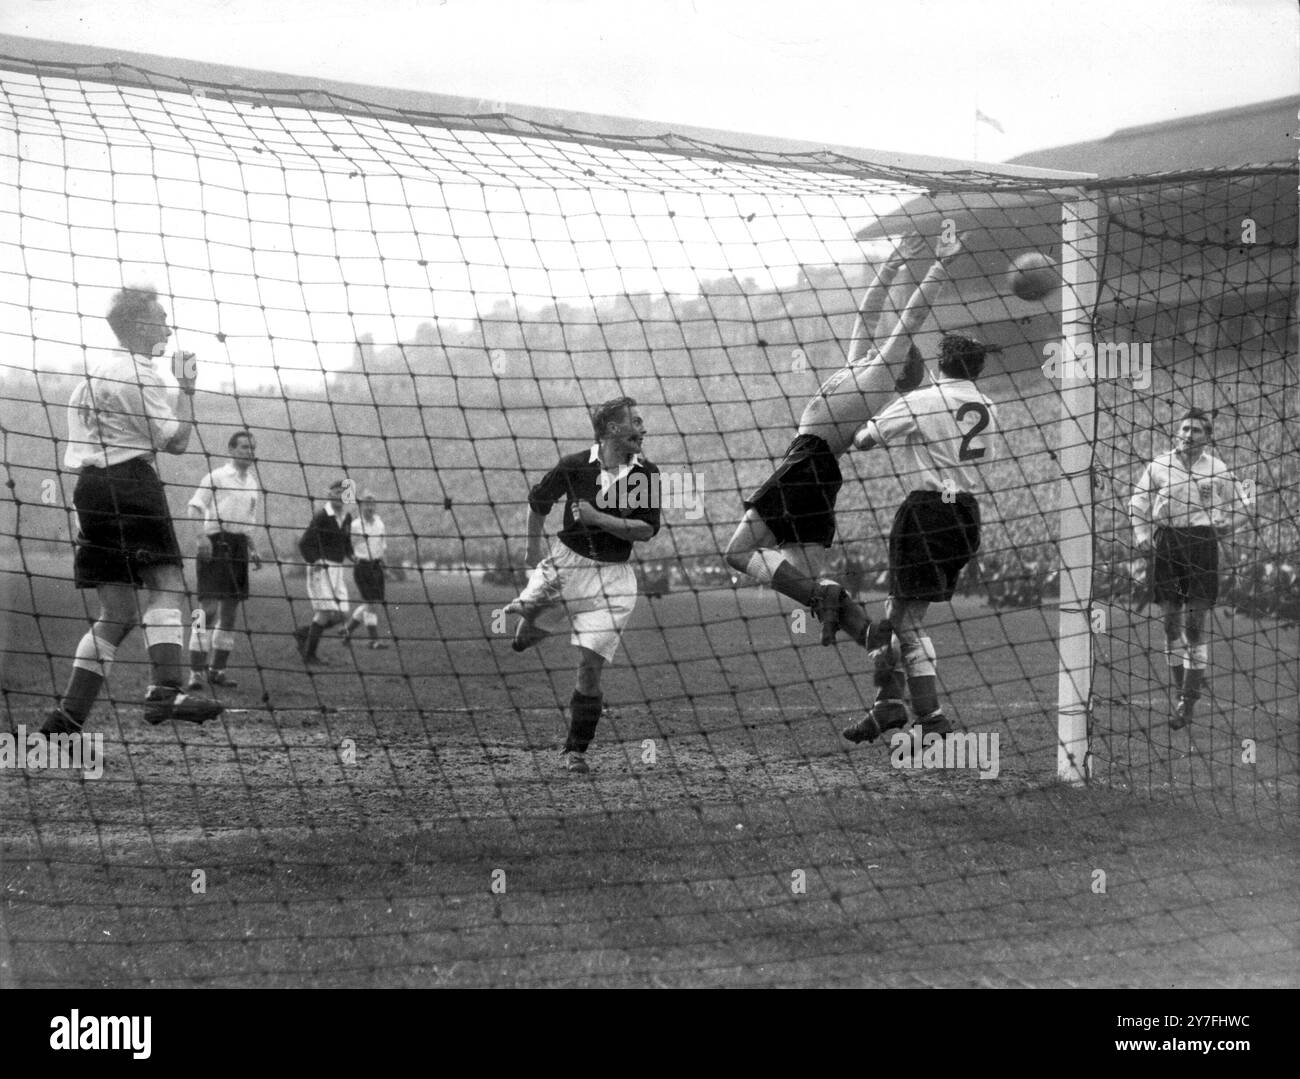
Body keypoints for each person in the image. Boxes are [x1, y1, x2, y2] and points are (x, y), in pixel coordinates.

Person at [722, 232, 964, 647]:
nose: (882, 340)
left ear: (898, 362)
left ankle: (825, 597)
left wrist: (940, 265)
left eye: (891, 347)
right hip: (819, 471)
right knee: (802, 573)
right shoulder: (860, 364)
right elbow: (866, 315)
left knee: (739, 553)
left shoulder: (881, 374)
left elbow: (911, 319)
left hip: (808, 461)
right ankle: (866, 633)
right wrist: (892, 263)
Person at [43, 285, 224, 735]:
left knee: (117, 612)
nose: (166, 325)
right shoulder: (143, 377)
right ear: (140, 325)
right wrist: (188, 389)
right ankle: (165, 691)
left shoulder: (91, 377)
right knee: (167, 584)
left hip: (90, 491)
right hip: (131, 484)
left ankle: (66, 719)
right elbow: (178, 442)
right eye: (161, 317)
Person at [842, 332, 1000, 744]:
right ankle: (886, 707)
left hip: (928, 511)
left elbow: (863, 440)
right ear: (977, 368)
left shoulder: (922, 400)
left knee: (905, 621)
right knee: (898, 612)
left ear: (940, 363)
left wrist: (885, 399)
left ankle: (931, 717)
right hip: (966, 512)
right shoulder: (988, 405)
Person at [506, 397, 661, 774]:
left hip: (614, 581)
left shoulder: (646, 474)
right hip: (566, 565)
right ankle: (533, 614)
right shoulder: (575, 466)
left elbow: (645, 530)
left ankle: (576, 751)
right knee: (523, 642)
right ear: (612, 429)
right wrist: (531, 548)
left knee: (589, 667)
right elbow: (539, 502)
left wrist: (598, 517)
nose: (643, 429)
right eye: (635, 422)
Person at [1129, 408, 1238, 729]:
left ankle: (1187, 702)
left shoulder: (1218, 469)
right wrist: (1140, 534)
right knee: (1170, 626)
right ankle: (1182, 690)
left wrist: (1228, 522)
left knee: (1194, 624)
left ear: (1208, 437)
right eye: (1185, 429)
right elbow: (1137, 502)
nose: (1189, 435)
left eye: (1196, 431)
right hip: (1168, 544)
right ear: (1178, 432)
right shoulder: (1159, 465)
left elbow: (1244, 501)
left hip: (1202, 544)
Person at [185, 429, 263, 689]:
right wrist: (200, 537)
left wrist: (252, 547)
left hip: (239, 547)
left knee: (229, 613)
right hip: (215, 544)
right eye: (243, 447)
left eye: (251, 448)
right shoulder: (215, 476)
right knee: (206, 610)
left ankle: (217, 670)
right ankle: (195, 671)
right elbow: (194, 506)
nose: (248, 452)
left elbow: (249, 520)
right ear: (231, 450)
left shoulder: (253, 482)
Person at [292, 479, 353, 667]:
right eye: (336, 493)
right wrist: (315, 559)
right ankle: (310, 656)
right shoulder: (322, 516)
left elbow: (346, 542)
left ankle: (304, 632)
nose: (340, 497)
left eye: (343, 493)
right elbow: (304, 543)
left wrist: (352, 555)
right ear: (329, 495)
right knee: (325, 612)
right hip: (322, 568)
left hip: (337, 569)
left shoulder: (347, 518)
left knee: (342, 614)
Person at [341, 490, 390, 649]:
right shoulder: (355, 525)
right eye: (366, 504)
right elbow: (346, 544)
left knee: (372, 603)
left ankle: (347, 630)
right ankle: (374, 640)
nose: (369, 507)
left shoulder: (380, 524)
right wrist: (351, 557)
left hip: (376, 567)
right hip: (362, 567)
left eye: (372, 504)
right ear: (361, 506)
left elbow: (382, 546)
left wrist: (385, 564)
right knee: (370, 604)